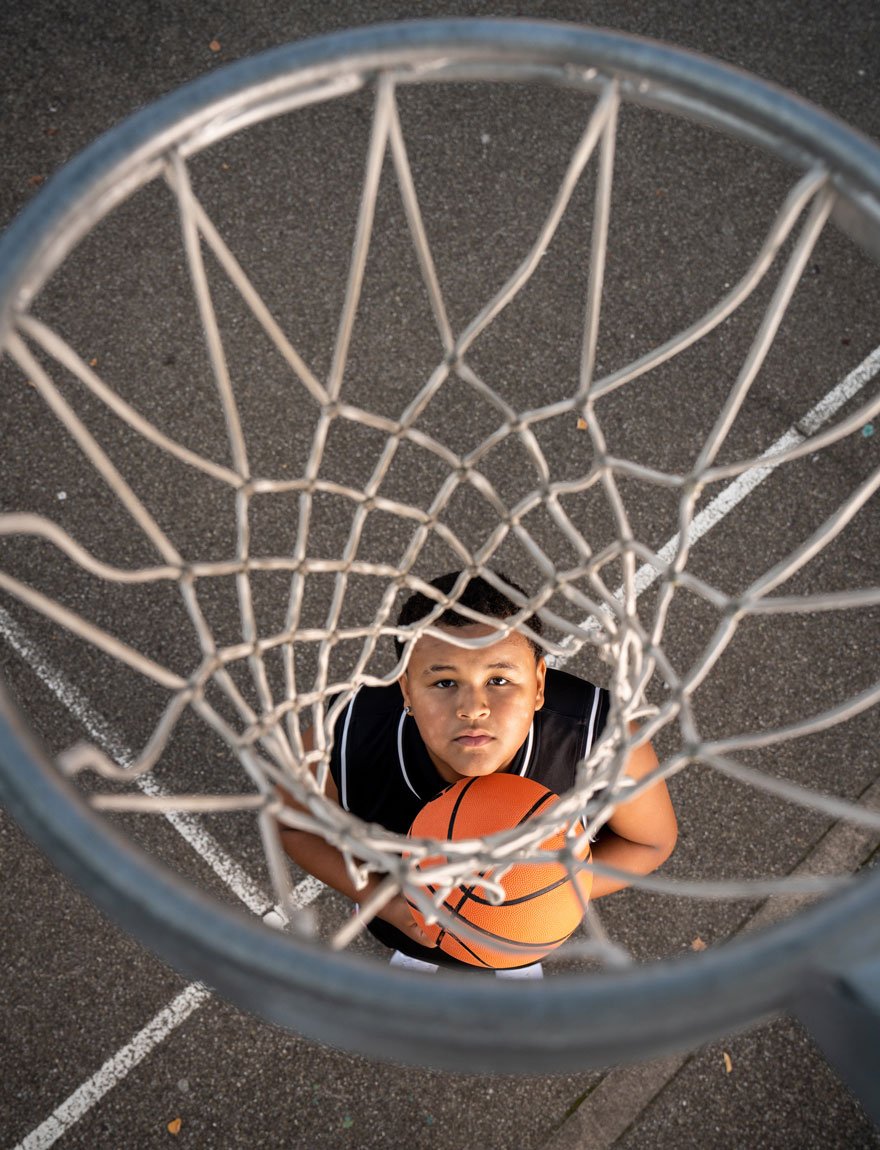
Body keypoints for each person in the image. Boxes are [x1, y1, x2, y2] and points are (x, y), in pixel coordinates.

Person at [278, 571, 677, 970]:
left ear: (539, 684)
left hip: (522, 938)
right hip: (406, 918)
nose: (473, 707)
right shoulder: (347, 728)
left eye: (499, 679)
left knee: (509, 1009)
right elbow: (295, 828)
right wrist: (388, 902)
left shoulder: (602, 735)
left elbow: (650, 843)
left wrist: (544, 894)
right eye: (444, 682)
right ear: (406, 690)